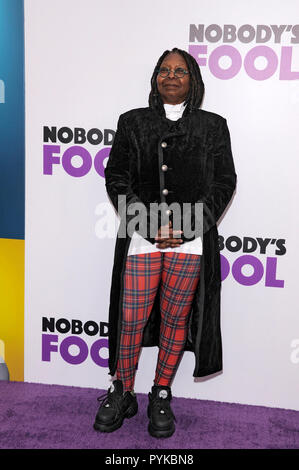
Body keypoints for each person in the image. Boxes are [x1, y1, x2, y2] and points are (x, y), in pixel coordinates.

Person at [93, 47, 237, 438]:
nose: (171, 76)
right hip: (142, 237)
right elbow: (116, 178)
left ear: (193, 80)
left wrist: (189, 226)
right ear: (155, 78)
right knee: (131, 318)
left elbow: (224, 184)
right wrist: (148, 221)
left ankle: (161, 392)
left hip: (190, 244)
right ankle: (122, 389)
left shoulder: (213, 126)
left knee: (176, 318)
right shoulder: (132, 122)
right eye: (163, 69)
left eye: (180, 70)